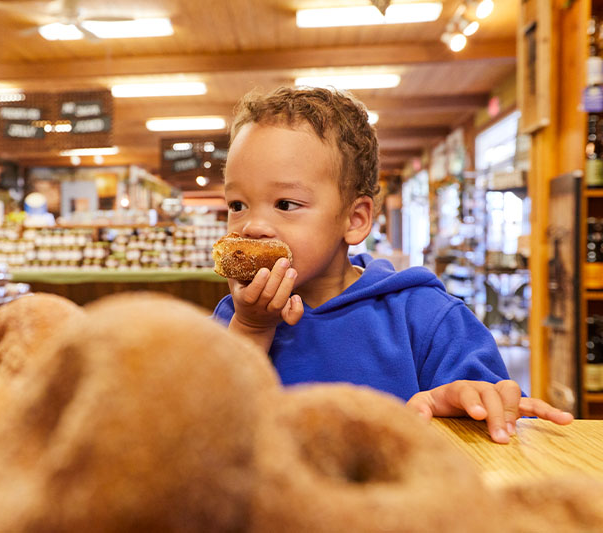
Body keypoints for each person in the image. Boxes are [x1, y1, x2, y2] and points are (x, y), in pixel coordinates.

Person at [212, 86, 572, 444]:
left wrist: (463, 404)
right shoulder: (234, 316)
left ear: (355, 219)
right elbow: (211, 432)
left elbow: (494, 420)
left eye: (285, 204)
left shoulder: (425, 316)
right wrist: (252, 329)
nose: (251, 226)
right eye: (237, 204)